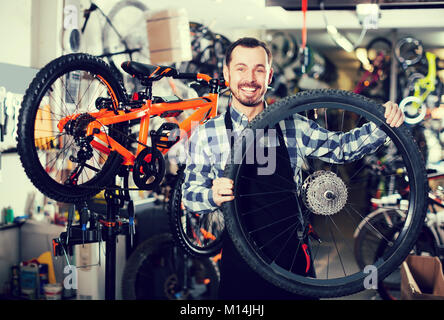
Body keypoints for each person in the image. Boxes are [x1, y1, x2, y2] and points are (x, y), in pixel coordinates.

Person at [181, 37, 405, 299]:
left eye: (259, 69)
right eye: (241, 68)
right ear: (227, 73)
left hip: (292, 260)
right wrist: (211, 194)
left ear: (269, 75)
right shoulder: (207, 133)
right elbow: (189, 196)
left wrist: (383, 125)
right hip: (239, 262)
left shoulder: (293, 126)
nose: (250, 78)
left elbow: (341, 148)